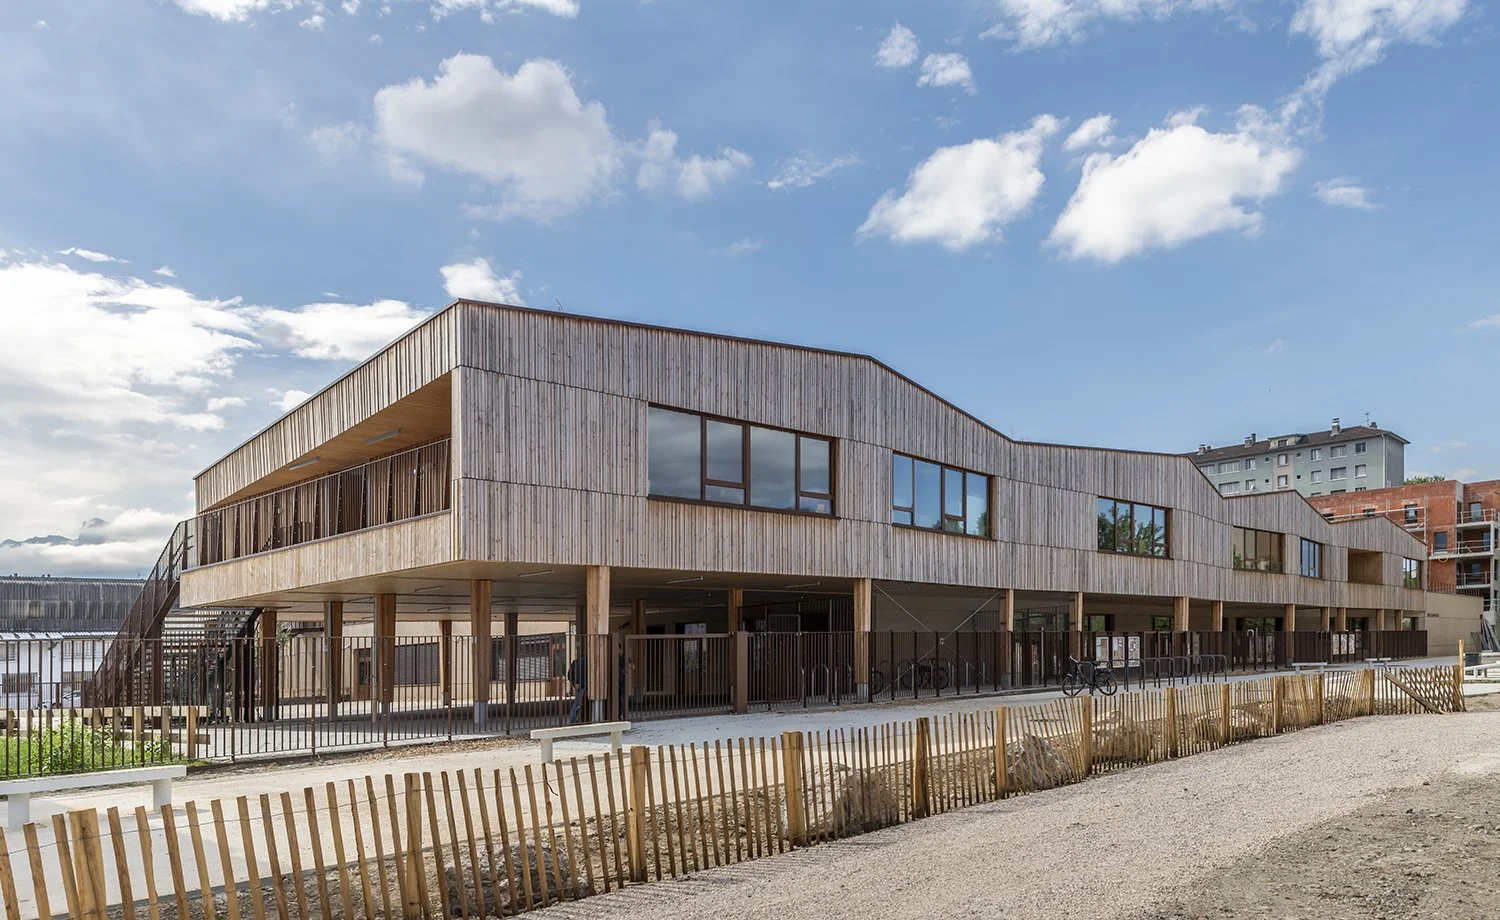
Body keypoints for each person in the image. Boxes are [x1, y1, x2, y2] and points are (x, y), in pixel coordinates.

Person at [567, 653, 588, 723]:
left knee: (578, 703)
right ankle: (573, 720)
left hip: (579, 685)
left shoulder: (575, 662)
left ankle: (576, 719)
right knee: (579, 703)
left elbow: (569, 674)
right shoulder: (586, 662)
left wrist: (574, 683)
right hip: (584, 685)